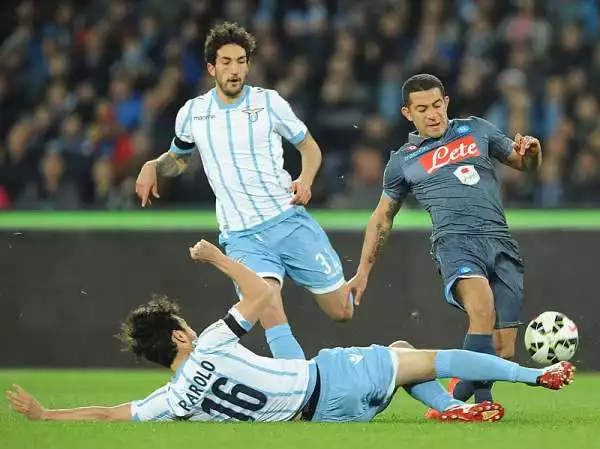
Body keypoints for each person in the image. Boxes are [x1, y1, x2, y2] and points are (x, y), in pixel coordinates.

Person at [7, 240, 574, 423]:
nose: (188, 327)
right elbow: (261, 295)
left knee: (401, 353)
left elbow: (112, 413)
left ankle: (451, 413)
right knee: (442, 355)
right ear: (180, 338)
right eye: (182, 324)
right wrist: (218, 259)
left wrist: (47, 416)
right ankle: (534, 373)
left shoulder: (173, 400)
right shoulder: (208, 343)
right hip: (329, 378)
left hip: (321, 416)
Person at [135, 22, 353, 362]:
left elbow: (310, 148)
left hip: (288, 219)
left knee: (342, 311)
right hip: (242, 236)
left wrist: (306, 178)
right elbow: (178, 160)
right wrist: (153, 165)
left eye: (240, 61)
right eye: (226, 62)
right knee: (268, 308)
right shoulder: (192, 113)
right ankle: (300, 397)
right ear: (212, 68)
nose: (234, 69)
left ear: (248, 65)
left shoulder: (270, 103)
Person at [347, 74, 543, 413]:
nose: (433, 114)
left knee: (503, 350)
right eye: (422, 109)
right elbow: (382, 218)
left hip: (499, 240)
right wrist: (363, 271)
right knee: (481, 309)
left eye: (437, 105)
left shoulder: (477, 130)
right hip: (455, 243)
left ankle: (452, 398)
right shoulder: (403, 161)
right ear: (408, 113)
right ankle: (482, 406)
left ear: (446, 103)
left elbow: (522, 162)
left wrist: (533, 154)